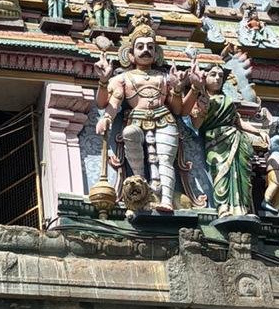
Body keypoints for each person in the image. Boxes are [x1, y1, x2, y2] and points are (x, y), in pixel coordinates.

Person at [95, 22, 196, 212]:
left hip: (164, 120)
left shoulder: (164, 77)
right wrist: (106, 115)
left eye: (150, 47)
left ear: (156, 53)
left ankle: (166, 199)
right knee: (130, 133)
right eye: (140, 47)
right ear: (130, 54)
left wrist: (177, 88)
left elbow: (178, 109)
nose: (145, 51)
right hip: (137, 119)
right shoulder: (123, 78)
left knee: (165, 159)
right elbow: (111, 103)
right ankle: (140, 188)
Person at [190, 65, 266, 218]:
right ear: (205, 78)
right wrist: (202, 110)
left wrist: (260, 131)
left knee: (241, 175)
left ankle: (241, 208)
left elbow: (238, 122)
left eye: (220, 75)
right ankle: (222, 207)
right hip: (214, 142)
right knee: (219, 173)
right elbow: (196, 125)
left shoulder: (227, 99)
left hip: (235, 140)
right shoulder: (200, 100)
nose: (217, 78)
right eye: (213, 74)